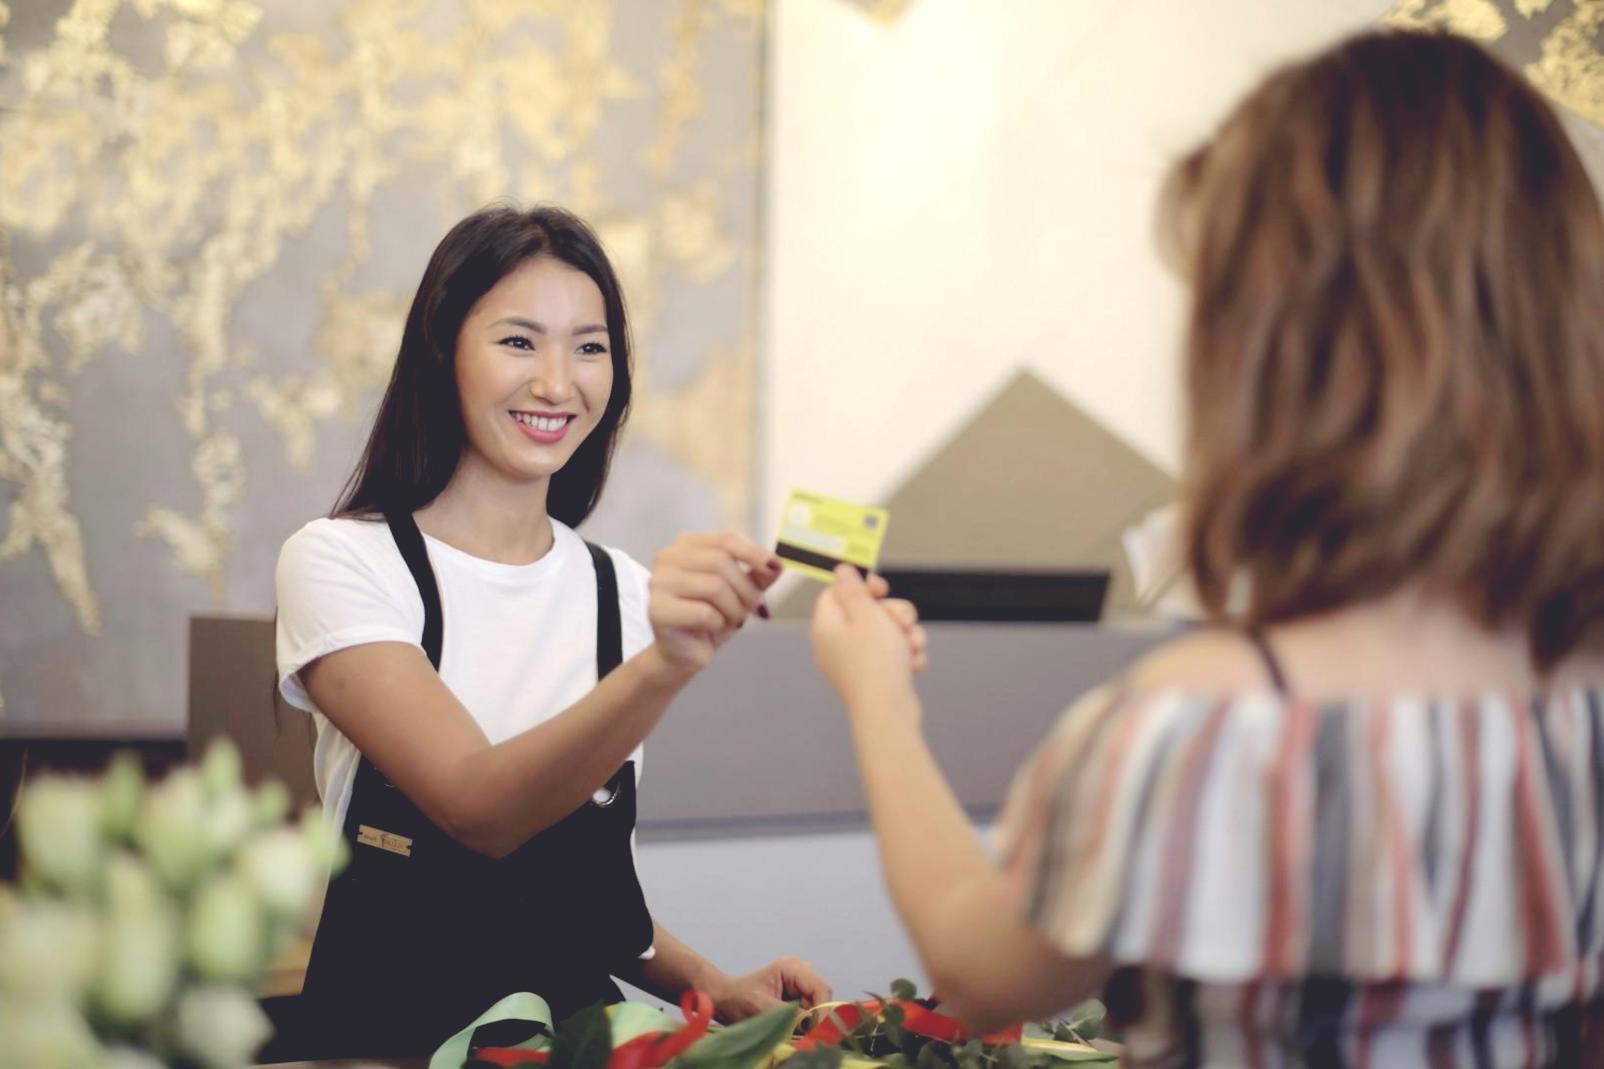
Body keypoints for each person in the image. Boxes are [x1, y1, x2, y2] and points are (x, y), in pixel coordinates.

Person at [808, 31, 1604, 1067]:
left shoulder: (1200, 722)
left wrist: (877, 697)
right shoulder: (1577, 699)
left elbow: (978, 967)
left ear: (1279, 347)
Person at [270, 205, 907, 1058]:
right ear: (440, 350)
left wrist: (711, 985)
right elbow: (478, 807)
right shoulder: (343, 563)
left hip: (577, 1039)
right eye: (519, 342)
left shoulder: (624, 593)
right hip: (388, 1039)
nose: (558, 383)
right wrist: (665, 666)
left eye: (590, 346)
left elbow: (577, 894)